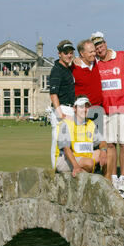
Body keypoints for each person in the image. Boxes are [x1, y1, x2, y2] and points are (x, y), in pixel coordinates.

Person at [88, 32, 124, 198]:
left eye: (101, 45)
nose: (99, 49)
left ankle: (123, 179)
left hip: (123, 107)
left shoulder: (121, 56)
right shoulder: (95, 63)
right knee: (111, 145)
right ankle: (113, 178)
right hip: (106, 110)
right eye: (96, 47)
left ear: (105, 43)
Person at [54, 95, 108, 178]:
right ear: (74, 109)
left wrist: (104, 151)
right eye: (81, 107)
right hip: (66, 159)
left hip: (83, 157)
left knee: (106, 154)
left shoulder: (90, 123)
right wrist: (76, 166)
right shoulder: (66, 123)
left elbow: (102, 142)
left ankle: (107, 182)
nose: (85, 109)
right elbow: (66, 149)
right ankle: (89, 177)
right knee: (89, 163)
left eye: (87, 106)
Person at [49, 40, 76, 168]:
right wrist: (61, 114)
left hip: (70, 109)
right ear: (59, 54)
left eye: (71, 53)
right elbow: (53, 93)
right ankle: (55, 172)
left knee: (68, 143)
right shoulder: (57, 70)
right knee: (58, 143)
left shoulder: (68, 68)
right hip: (62, 110)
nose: (69, 55)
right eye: (66, 53)